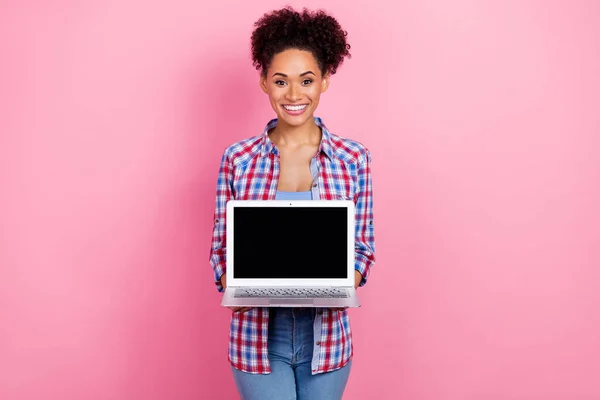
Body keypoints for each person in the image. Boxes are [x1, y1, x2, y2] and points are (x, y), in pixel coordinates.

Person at [209, 6, 376, 400]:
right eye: (281, 81)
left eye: (307, 80)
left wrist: (332, 286)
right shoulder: (238, 158)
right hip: (256, 340)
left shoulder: (354, 158)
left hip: (327, 340)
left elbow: (362, 251)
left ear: (325, 81)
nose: (295, 95)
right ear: (264, 82)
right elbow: (221, 250)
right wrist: (234, 286)